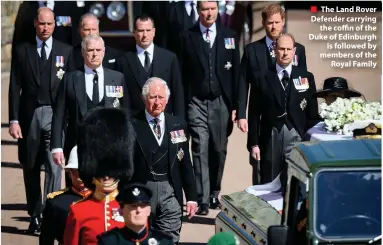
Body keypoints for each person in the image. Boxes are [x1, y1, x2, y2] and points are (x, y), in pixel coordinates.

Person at [8, 7, 73, 234]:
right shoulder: (22, 50)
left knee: (55, 165)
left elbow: (70, 87)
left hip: (56, 115)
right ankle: (35, 214)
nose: (45, 28)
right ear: (35, 24)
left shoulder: (66, 51)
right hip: (30, 116)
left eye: (49, 24)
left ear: (55, 24)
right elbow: (14, 87)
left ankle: (50, 213)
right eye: (41, 24)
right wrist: (14, 120)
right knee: (31, 164)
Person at [178, 0, 240, 215]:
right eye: (204, 8)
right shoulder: (187, 36)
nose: (209, 12)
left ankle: (214, 191)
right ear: (198, 11)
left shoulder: (230, 35)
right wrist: (182, 106)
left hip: (221, 102)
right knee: (199, 148)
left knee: (218, 149)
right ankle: (202, 199)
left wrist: (237, 108)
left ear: (218, 10)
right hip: (195, 101)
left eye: (212, 8)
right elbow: (181, 75)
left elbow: (236, 75)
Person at [237, 4, 308, 185]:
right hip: (262, 117)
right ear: (263, 23)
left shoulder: (297, 50)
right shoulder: (252, 50)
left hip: (290, 122)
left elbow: (302, 86)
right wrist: (241, 114)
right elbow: (243, 83)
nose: (274, 26)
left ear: (283, 22)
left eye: (277, 22)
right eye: (270, 23)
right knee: (262, 168)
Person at [129, 77, 198, 243]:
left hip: (170, 191)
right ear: (144, 98)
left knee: (168, 239)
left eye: (161, 97)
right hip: (142, 193)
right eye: (153, 97)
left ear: (167, 100)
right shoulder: (131, 125)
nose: (157, 102)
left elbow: (185, 163)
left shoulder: (178, 124)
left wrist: (192, 197)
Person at [51, 34, 130, 172]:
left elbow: (125, 114)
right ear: (82, 52)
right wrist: (57, 147)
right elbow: (59, 115)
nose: (95, 54)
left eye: (98, 50)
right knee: (77, 190)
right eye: (90, 50)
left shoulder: (117, 78)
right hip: (77, 147)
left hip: (109, 147)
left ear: (104, 52)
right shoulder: (70, 79)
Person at [247, 33, 318, 185]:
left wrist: (312, 141)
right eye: (281, 49)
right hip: (270, 135)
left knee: (295, 181)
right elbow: (253, 113)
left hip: (297, 135)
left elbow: (312, 113)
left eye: (288, 49)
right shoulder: (262, 77)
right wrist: (254, 143)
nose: (285, 53)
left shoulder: (306, 77)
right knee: (270, 180)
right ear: (274, 49)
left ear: (294, 51)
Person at [63, 108, 135, 245]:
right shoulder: (79, 211)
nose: (107, 177)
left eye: (112, 173)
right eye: (102, 173)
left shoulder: (134, 210)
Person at [115, 15, 184, 118]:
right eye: (141, 31)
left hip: (164, 120)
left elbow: (177, 93)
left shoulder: (169, 58)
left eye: (148, 30)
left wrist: (179, 122)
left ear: (154, 32)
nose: (145, 35)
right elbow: (121, 95)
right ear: (134, 32)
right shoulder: (123, 61)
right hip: (135, 121)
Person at [39, 145, 92, 245]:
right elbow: (46, 239)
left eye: (84, 171)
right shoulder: (56, 203)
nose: (80, 177)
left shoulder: (106, 200)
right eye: (75, 172)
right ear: (69, 172)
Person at [97, 183, 174, 245]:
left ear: (149, 210)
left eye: (143, 206)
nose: (138, 210)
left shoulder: (164, 241)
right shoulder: (109, 241)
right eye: (133, 206)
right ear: (121, 211)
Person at [12, 1, 85, 48]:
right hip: (34, 63)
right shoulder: (26, 7)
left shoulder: (68, 4)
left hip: (62, 61)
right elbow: (18, 41)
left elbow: (75, 37)